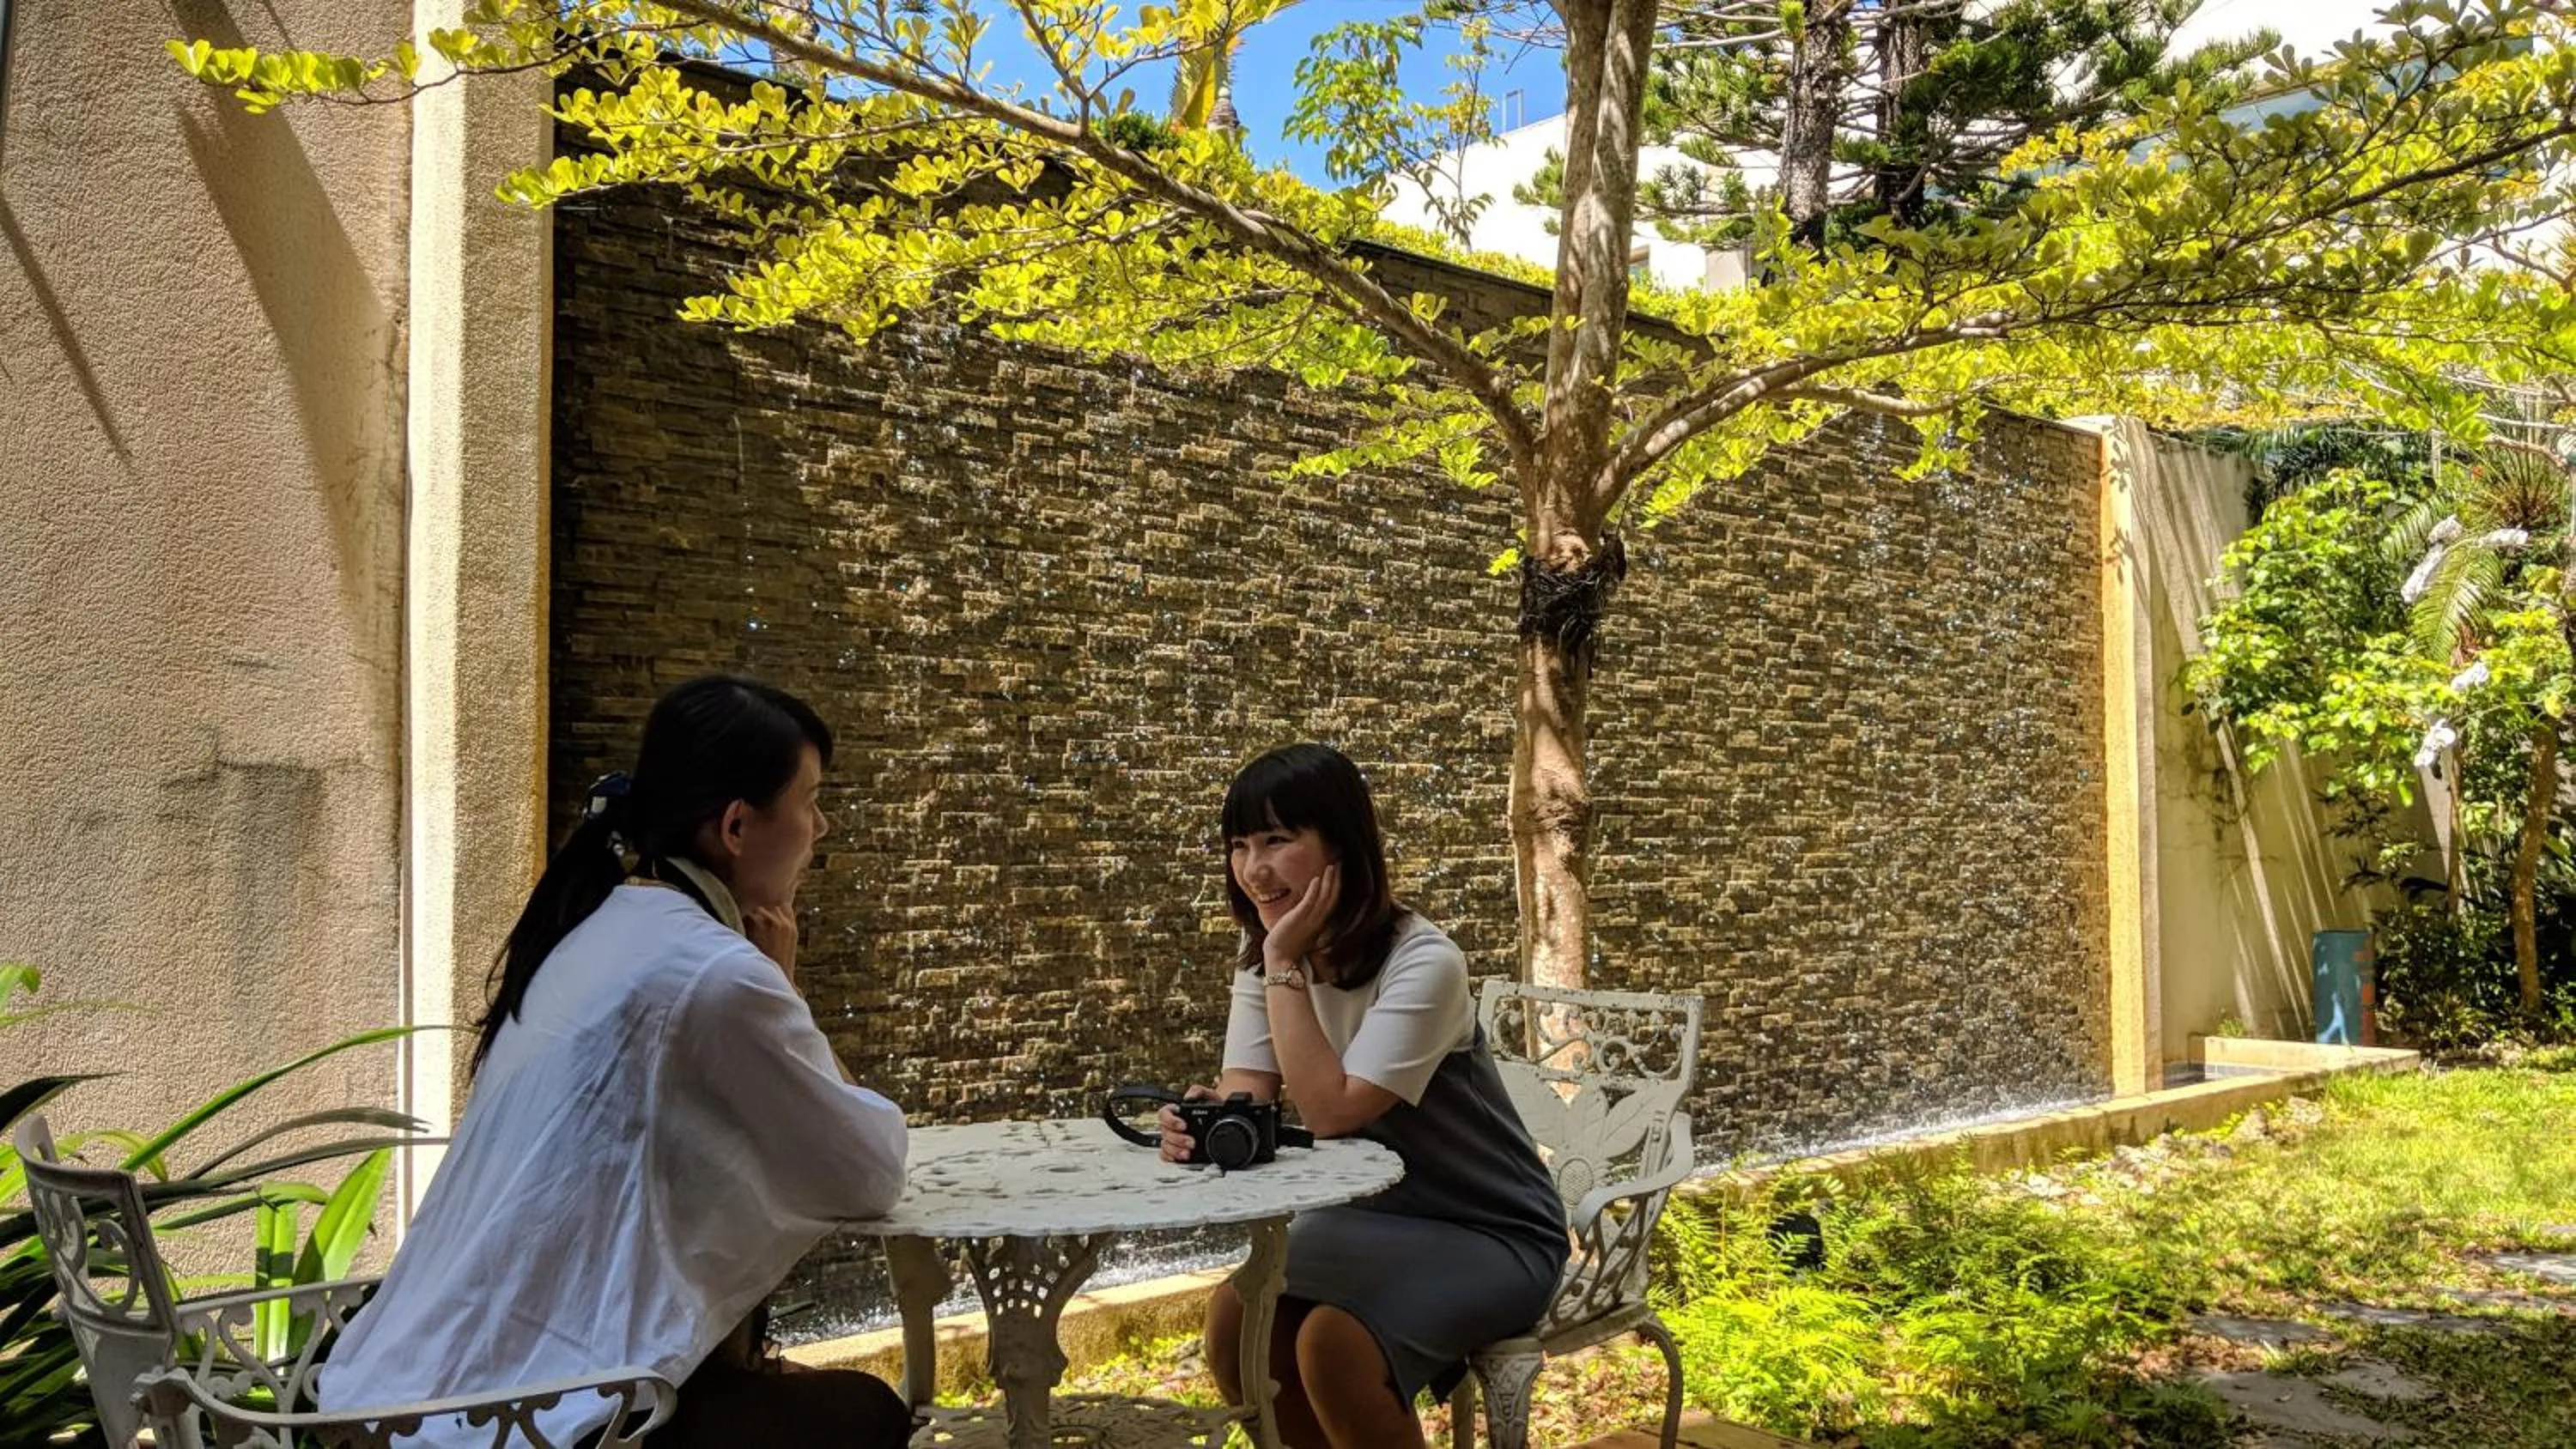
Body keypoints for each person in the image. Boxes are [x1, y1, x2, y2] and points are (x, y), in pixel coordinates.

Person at [319, 676, 914, 1448]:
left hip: (417, 1391)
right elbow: (865, 1171)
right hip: (533, 1419)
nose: (822, 826)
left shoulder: (602, 927)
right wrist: (781, 990)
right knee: (865, 1416)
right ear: (737, 826)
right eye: (810, 800)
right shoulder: (714, 973)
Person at [1159, 743, 1570, 1449]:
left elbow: (1333, 1111)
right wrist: (1207, 1117)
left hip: (1491, 1228)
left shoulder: (1424, 960)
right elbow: (1248, 1091)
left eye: (1278, 840)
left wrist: (1281, 965)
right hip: (1371, 1219)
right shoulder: (1268, 957)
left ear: (1342, 846)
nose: (1254, 869)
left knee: (1334, 1346)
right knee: (1235, 1324)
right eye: (1239, 845)